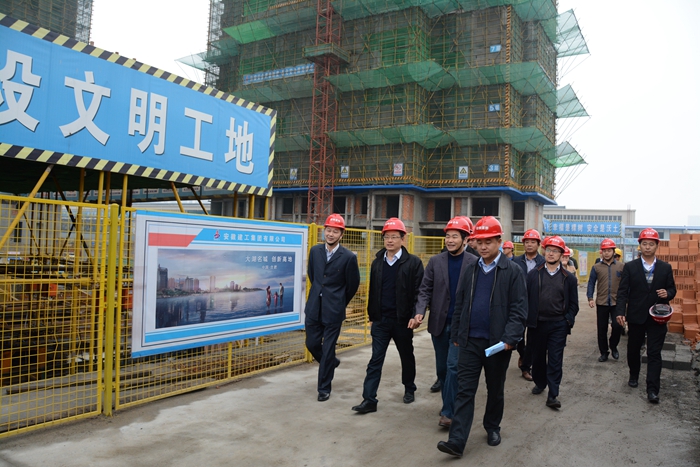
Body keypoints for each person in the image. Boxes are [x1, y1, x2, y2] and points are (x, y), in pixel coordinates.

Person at [437, 216, 527, 458]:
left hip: (497, 344)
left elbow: (519, 309)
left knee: (495, 389)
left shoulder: (513, 271)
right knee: (464, 391)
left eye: (489, 242)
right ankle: (456, 441)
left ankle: (492, 427)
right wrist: (457, 334)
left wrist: (509, 339)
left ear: (499, 241)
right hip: (469, 341)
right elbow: (460, 303)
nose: (483, 246)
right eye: (480, 242)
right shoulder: (471, 269)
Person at [352, 218, 424, 414]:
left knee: (406, 356)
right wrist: (372, 315)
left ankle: (409, 388)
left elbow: (419, 291)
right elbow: (373, 291)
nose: (390, 241)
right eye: (386, 237)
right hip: (381, 321)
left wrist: (415, 315)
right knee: (375, 360)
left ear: (403, 239)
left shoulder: (413, 263)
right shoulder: (377, 262)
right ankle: (369, 399)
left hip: (403, 321)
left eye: (394, 237)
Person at [414, 217, 478, 428]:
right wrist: (420, 312)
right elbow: (425, 289)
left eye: (454, 236)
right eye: (448, 236)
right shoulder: (435, 261)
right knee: (442, 369)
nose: (450, 240)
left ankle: (449, 412)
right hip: (439, 324)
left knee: (453, 367)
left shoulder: (474, 262)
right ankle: (448, 402)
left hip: (461, 326)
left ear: (465, 239)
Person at [304, 214, 361, 402]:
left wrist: (339, 301)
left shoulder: (348, 257)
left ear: (341, 234)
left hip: (334, 310)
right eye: (328, 230)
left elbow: (352, 284)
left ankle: (324, 388)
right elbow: (313, 275)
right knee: (312, 344)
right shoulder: (315, 251)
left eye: (335, 231)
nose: (330, 234)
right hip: (314, 307)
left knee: (328, 349)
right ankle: (331, 363)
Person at [616, 228, 676, 403]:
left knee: (654, 353)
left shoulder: (665, 268)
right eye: (644, 244)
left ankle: (652, 390)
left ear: (657, 246)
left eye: (651, 244)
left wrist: (667, 293)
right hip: (636, 315)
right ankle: (634, 374)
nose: (648, 247)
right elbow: (622, 292)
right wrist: (620, 312)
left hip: (658, 316)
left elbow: (672, 289)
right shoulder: (630, 267)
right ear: (640, 246)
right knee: (633, 349)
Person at [526, 236, 579, 409]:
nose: (551, 253)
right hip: (537, 324)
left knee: (555, 360)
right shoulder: (533, 275)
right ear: (544, 251)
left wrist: (567, 320)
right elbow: (525, 299)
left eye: (555, 251)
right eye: (548, 250)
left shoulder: (569, 278)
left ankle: (553, 394)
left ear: (562, 254)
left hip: (558, 325)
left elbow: (574, 305)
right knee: (538, 358)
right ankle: (540, 383)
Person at [512, 228, 545, 381]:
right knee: (518, 336)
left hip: (536, 305)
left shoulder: (543, 262)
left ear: (538, 244)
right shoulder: (516, 261)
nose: (529, 244)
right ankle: (523, 354)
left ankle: (526, 367)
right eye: (527, 242)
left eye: (533, 242)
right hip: (518, 304)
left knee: (532, 338)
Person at [587, 238, 624, 362]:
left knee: (617, 326)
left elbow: (626, 284)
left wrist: (626, 299)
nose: (607, 253)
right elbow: (591, 283)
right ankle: (604, 352)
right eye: (604, 251)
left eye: (609, 250)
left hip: (616, 302)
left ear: (614, 251)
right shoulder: (596, 267)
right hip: (602, 302)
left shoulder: (621, 267)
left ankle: (613, 346)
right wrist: (590, 297)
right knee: (602, 329)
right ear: (601, 252)